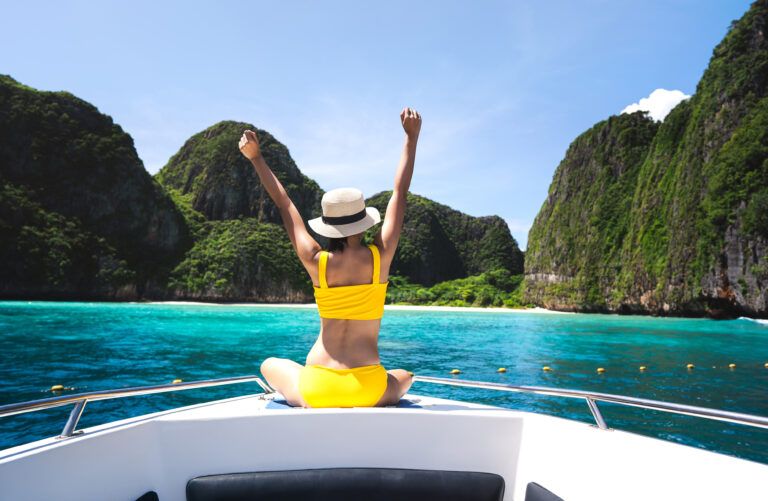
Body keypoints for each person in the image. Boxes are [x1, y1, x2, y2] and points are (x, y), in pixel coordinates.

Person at [238, 107, 422, 408]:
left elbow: (284, 204)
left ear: (329, 225)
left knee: (269, 364)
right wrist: (411, 138)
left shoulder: (316, 261)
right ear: (364, 220)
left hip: (318, 388)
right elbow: (399, 193)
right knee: (405, 375)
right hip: (368, 387)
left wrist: (256, 158)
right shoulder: (381, 256)